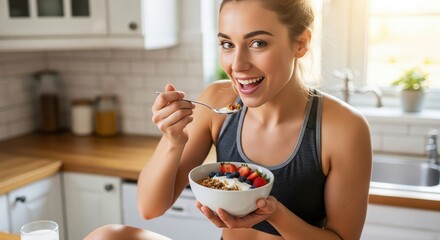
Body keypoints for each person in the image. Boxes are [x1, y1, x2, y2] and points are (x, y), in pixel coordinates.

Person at [84, 0, 372, 239]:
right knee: (107, 236)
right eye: (227, 44)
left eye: (258, 43)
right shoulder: (218, 101)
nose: (237, 65)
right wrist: (172, 140)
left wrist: (274, 213)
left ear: (300, 43)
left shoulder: (343, 127)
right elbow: (150, 207)